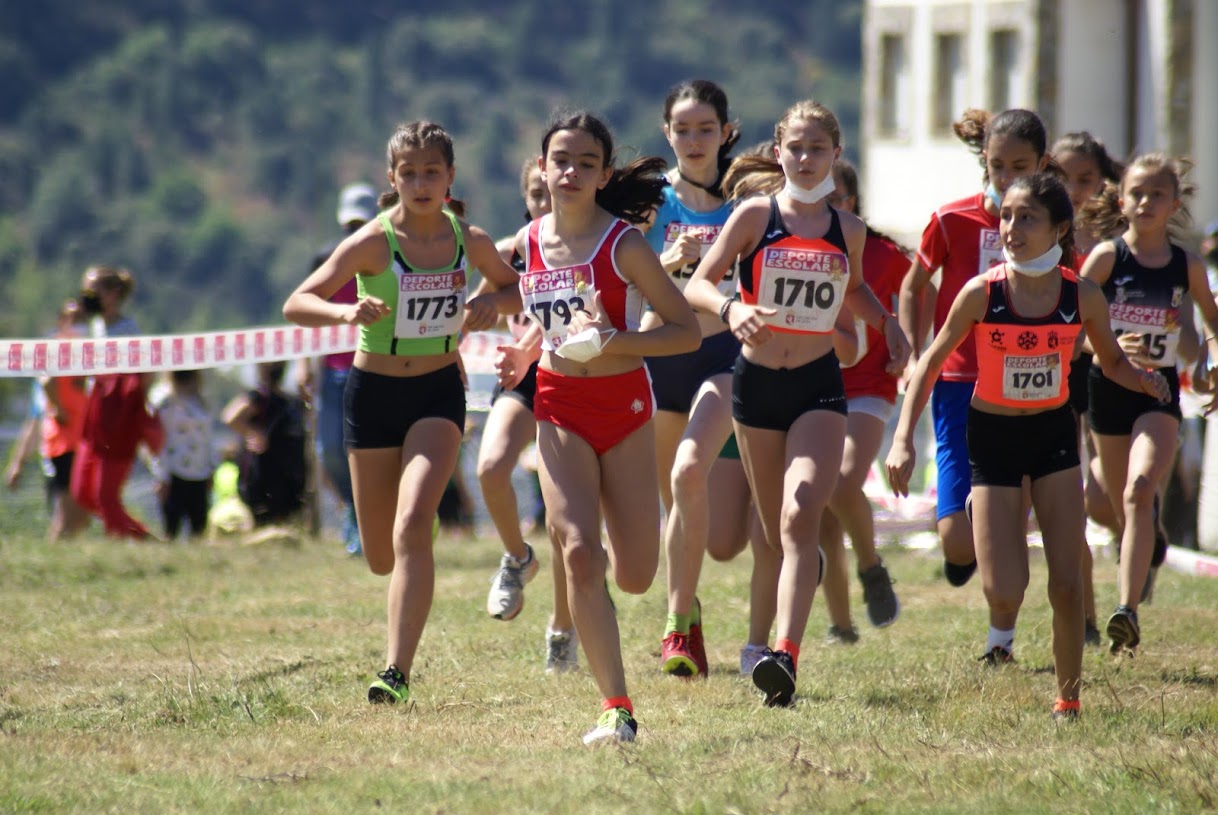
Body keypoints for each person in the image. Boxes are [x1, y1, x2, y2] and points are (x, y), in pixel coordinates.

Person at [886, 172, 1170, 719]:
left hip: (1052, 438)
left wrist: (1143, 378)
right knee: (1006, 589)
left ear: (1059, 228)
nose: (1011, 228)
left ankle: (1068, 699)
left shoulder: (1081, 295)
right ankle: (984, 514)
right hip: (991, 439)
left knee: (1066, 581)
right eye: (1008, 216)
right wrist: (901, 440)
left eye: (1027, 218)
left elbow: (1110, 360)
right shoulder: (982, 293)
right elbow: (931, 361)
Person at [283, 120, 518, 707]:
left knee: (412, 526)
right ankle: (412, 536)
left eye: (431, 172)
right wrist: (345, 315)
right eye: (408, 173)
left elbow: (519, 290)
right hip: (373, 396)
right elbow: (297, 302)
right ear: (392, 179)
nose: (420, 182)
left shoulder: (470, 239)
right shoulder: (371, 241)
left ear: (450, 178)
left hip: (438, 392)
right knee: (380, 554)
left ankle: (395, 670)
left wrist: (490, 301)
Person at [685, 99, 910, 708]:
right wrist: (733, 309)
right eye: (795, 148)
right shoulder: (755, 216)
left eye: (818, 149)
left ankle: (785, 653)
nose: (806, 159)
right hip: (757, 387)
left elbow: (856, 288)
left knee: (801, 512)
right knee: (770, 533)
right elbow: (701, 283)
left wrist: (889, 326)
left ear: (836, 155)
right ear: (778, 151)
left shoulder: (848, 230)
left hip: (817, 386)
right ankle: (757, 647)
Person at [492, 111, 699, 743]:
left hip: (625, 409)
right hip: (558, 406)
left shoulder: (625, 246)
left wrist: (617, 339)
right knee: (579, 552)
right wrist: (524, 351)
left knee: (634, 574)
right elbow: (529, 309)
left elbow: (684, 331)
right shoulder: (526, 244)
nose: (571, 172)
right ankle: (617, 706)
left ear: (604, 173)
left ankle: (668, 603)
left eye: (586, 162)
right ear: (540, 168)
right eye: (561, 160)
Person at [899, 109, 1052, 592]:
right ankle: (962, 546)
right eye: (997, 166)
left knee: (1006, 519)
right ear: (983, 161)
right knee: (959, 543)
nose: (1006, 178)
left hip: (1024, 382)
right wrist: (911, 352)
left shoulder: (1051, 228)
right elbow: (914, 286)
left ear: (1042, 165)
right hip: (957, 382)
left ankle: (1002, 624)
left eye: (1020, 167)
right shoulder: (951, 219)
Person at [1079, 153, 1218, 653]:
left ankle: (1127, 612)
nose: (1145, 202)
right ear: (1122, 200)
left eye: (1156, 194)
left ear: (1174, 204)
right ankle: (1147, 541)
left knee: (1139, 489)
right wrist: (1110, 349)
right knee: (1119, 506)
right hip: (1107, 391)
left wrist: (1211, 361)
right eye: (1136, 193)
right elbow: (1074, 334)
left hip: (1157, 394)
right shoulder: (1105, 259)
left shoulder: (1187, 266)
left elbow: (1213, 326)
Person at [640, 79, 744, 679]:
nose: (694, 140)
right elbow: (625, 283)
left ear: (727, 132)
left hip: (724, 356)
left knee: (688, 472)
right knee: (670, 501)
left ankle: (676, 628)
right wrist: (668, 263)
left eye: (706, 128)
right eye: (683, 129)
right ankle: (691, 608)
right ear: (667, 134)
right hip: (661, 358)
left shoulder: (747, 197)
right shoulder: (650, 200)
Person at [477, 158, 580, 669]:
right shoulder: (509, 253)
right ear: (527, 199)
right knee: (490, 465)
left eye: (552, 191)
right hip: (522, 379)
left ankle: (562, 627)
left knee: (563, 520)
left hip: (573, 380)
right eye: (537, 194)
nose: (547, 201)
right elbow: (469, 302)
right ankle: (518, 556)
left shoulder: (583, 248)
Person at [809, 158, 906, 643]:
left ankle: (871, 564)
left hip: (870, 388)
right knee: (825, 509)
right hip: (815, 385)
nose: (827, 208)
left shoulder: (886, 255)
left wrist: (907, 342)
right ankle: (841, 624)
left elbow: (916, 304)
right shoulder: (796, 248)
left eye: (837, 199)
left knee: (842, 480)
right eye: (821, 199)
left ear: (853, 204)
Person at [1050, 132, 1125, 644]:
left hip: (1111, 369)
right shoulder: (1035, 229)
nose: (1074, 190)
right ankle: (1089, 618)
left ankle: (1138, 535)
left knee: (1105, 497)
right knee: (1076, 502)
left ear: (1105, 182)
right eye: (1063, 178)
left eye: (1085, 179)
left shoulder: (1120, 241)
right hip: (1056, 370)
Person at [299, 182, 379, 555]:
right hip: (332, 374)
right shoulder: (324, 259)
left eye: (360, 224)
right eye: (349, 225)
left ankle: (368, 523)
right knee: (329, 449)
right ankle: (353, 509)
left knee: (369, 450)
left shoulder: (385, 256)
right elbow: (306, 311)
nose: (354, 232)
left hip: (375, 368)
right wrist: (303, 364)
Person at [71, 265, 163, 540]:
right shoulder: (97, 326)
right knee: (82, 494)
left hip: (119, 419)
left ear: (112, 294)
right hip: (95, 416)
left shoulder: (128, 331)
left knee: (106, 498)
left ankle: (142, 542)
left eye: (93, 289)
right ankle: (141, 535)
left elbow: (142, 377)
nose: (87, 295)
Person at [4, 299, 91, 541]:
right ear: (61, 321)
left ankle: (68, 556)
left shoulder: (90, 354)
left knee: (81, 515)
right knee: (65, 512)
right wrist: (60, 410)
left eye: (82, 319)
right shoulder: (55, 350)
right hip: (61, 442)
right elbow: (38, 409)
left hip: (83, 441)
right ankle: (57, 553)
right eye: (72, 318)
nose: (78, 325)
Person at [222, 361, 309, 528]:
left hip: (288, 472)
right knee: (264, 517)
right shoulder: (259, 397)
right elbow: (230, 416)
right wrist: (253, 433)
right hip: (263, 473)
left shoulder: (290, 401)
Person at [151, 369, 216, 540]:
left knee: (199, 528)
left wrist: (211, 468)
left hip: (199, 471)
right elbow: (158, 441)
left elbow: (207, 438)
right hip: (173, 473)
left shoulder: (202, 400)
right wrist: (161, 475)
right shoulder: (163, 400)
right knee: (171, 530)